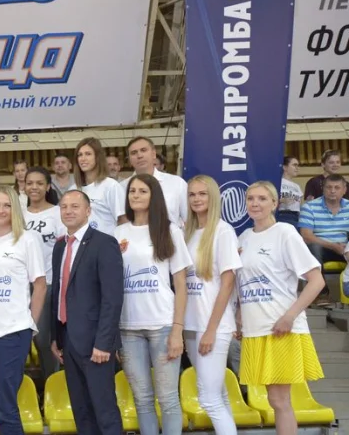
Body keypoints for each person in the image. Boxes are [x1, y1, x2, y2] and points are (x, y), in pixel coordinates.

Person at [238, 181, 326, 435]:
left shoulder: (285, 233)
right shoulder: (243, 238)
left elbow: (317, 280)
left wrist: (289, 317)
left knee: (279, 400)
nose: (255, 203)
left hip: (280, 328)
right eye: (251, 198)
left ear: (275, 203)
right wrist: (239, 316)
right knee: (274, 399)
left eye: (262, 199)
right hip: (256, 329)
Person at [113, 174, 191, 435]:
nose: (135, 195)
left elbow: (181, 284)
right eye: (132, 191)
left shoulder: (170, 230)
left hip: (163, 325)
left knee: (168, 399)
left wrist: (177, 330)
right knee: (142, 399)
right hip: (127, 329)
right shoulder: (118, 233)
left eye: (142, 191)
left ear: (153, 196)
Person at [50, 190, 124, 435]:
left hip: (95, 343)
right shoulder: (59, 247)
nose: (68, 211)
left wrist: (104, 343)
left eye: (75, 206)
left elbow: (112, 298)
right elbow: (59, 292)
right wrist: (56, 337)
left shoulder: (104, 243)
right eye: (64, 207)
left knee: (104, 410)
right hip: (68, 340)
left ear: (88, 211)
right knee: (81, 410)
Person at [0, 186, 45, 435]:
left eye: (7, 205)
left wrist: (30, 324)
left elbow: (40, 284)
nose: (1, 210)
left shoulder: (27, 239)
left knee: (5, 402)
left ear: (15, 208)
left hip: (14, 330)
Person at [184, 176, 243, 435]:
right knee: (218, 395)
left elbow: (228, 284)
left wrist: (210, 330)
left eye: (202, 194)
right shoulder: (187, 233)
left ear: (213, 197)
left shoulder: (223, 231)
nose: (197, 199)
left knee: (209, 399)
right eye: (192, 194)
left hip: (213, 327)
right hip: (190, 325)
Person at [23, 167, 65, 376]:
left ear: (48, 186)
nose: (34, 187)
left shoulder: (57, 213)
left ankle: (52, 381)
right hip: (22, 285)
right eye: (30, 183)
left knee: (42, 338)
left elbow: (64, 248)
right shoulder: (19, 214)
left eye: (39, 183)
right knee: (23, 338)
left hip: (48, 283)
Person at [298, 174, 348, 306]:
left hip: (345, 247)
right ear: (323, 189)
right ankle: (321, 293)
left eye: (337, 187)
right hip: (321, 247)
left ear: (344, 190)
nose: (332, 191)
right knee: (312, 247)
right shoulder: (309, 207)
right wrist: (333, 246)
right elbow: (306, 236)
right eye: (329, 187)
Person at [121, 136, 188, 227]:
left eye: (143, 150)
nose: (139, 156)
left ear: (154, 154)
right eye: (134, 153)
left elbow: (189, 220)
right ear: (129, 160)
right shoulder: (121, 188)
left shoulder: (177, 183)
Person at [73, 137, 126, 235]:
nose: (83, 158)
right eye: (80, 155)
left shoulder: (111, 186)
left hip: (107, 242)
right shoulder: (73, 189)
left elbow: (123, 221)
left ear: (98, 157)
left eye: (88, 154)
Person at [278, 156, 302, 227]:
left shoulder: (297, 186)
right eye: (294, 165)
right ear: (285, 167)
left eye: (298, 165)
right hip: (282, 215)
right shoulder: (277, 182)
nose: (297, 168)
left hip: (296, 217)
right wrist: (281, 200)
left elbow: (300, 205)